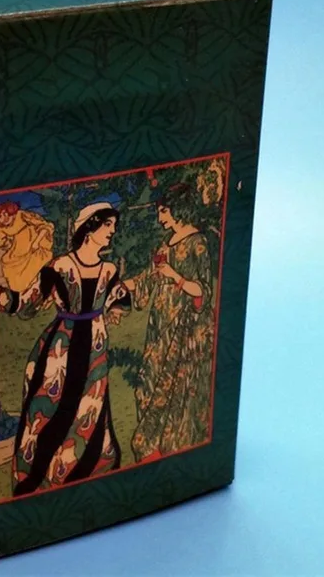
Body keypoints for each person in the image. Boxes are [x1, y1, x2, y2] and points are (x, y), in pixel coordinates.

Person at [0, 202, 131, 496]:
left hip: (95, 352)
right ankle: (38, 479)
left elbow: (121, 298)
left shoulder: (109, 270)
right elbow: (26, 303)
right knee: (50, 413)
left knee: (90, 411)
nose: (112, 231)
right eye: (107, 225)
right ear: (89, 228)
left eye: (114, 226)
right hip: (61, 351)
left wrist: (115, 312)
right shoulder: (59, 267)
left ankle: (86, 475)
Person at [124, 191, 214, 463]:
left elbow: (204, 291)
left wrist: (176, 277)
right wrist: (116, 284)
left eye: (163, 210)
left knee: (175, 390)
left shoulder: (198, 243)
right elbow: (146, 279)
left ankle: (169, 449)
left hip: (185, 329)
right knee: (146, 384)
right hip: (159, 325)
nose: (160, 216)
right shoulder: (165, 243)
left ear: (178, 208)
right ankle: (152, 449)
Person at [0, 201, 54, 292]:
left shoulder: (20, 215)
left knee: (32, 266)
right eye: (0, 216)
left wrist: (36, 242)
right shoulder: (2, 228)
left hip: (33, 247)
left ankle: (36, 284)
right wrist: (9, 242)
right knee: (8, 265)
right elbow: (0, 242)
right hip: (17, 251)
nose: (4, 217)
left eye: (5, 213)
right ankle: (24, 289)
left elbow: (44, 226)